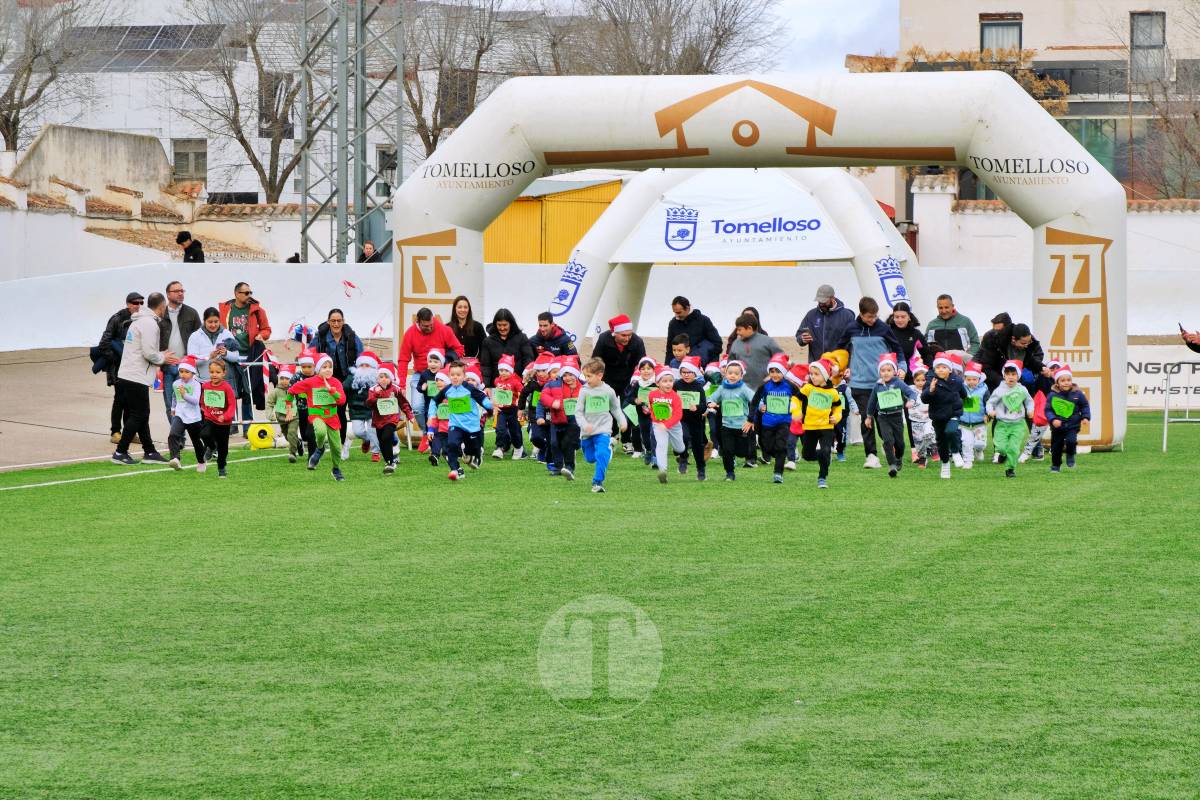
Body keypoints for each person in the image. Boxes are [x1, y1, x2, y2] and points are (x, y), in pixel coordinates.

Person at [833, 296, 907, 470]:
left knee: (885, 421)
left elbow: (897, 350)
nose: (872, 320)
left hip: (883, 384)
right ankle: (871, 455)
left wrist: (902, 367)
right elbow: (839, 349)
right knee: (867, 420)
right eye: (869, 317)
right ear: (861, 314)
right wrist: (840, 367)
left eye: (875, 316)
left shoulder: (884, 328)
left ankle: (889, 446)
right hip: (859, 383)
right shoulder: (851, 328)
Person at [111, 292, 178, 465]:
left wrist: (160, 355)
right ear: (161, 306)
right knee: (139, 414)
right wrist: (163, 358)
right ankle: (121, 451)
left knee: (141, 414)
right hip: (136, 376)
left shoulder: (140, 321)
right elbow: (148, 353)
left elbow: (145, 350)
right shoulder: (150, 324)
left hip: (129, 374)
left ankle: (149, 451)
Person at [218, 282, 272, 435]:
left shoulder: (257, 310)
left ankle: (247, 427)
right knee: (230, 390)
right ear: (237, 294)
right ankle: (232, 423)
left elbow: (267, 328)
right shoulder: (225, 309)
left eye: (250, 292)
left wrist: (263, 335)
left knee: (248, 391)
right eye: (246, 293)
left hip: (250, 355)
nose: (249, 296)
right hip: (230, 355)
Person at [398, 307, 463, 431]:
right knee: (417, 408)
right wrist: (402, 385)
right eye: (425, 326)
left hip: (442, 375)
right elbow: (403, 360)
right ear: (418, 322)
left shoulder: (444, 330)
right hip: (421, 374)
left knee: (447, 405)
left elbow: (458, 349)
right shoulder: (410, 333)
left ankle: (447, 433)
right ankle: (427, 434)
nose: (429, 328)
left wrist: (446, 361)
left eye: (431, 324)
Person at [591, 313, 647, 454]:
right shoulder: (604, 339)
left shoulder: (637, 342)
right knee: (608, 409)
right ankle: (612, 435)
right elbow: (596, 360)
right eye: (623, 335)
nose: (627, 338)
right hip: (608, 379)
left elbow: (642, 364)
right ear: (614, 333)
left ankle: (627, 441)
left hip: (629, 381)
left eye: (629, 334)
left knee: (628, 410)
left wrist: (636, 380)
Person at [289, 353, 348, 481]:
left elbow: (342, 401)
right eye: (324, 367)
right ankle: (320, 448)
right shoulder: (310, 382)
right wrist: (289, 406)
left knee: (337, 448)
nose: (328, 369)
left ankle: (336, 469)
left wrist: (332, 391)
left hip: (332, 418)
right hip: (317, 416)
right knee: (321, 432)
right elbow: (292, 390)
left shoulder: (336, 382)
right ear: (318, 369)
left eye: (330, 367)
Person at [574, 358, 628, 493]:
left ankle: (597, 482)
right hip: (587, 432)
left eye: (589, 376)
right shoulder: (584, 391)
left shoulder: (608, 391)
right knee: (590, 458)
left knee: (601, 454)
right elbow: (578, 412)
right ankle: (609, 447)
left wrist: (622, 421)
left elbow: (615, 408)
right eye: (585, 376)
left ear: (600, 375)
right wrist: (584, 425)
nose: (586, 379)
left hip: (603, 429)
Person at [433, 361, 493, 481]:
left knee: (473, 449)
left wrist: (490, 405)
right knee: (452, 444)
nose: (455, 377)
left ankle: (475, 454)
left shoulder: (469, 388)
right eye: (452, 375)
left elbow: (482, 398)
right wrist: (431, 416)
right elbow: (435, 401)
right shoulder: (447, 390)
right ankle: (455, 470)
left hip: (471, 425)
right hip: (455, 424)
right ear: (449, 376)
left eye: (458, 375)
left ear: (463, 376)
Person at [863, 353, 920, 478]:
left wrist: (911, 400)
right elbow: (872, 402)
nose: (886, 373)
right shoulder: (877, 386)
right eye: (883, 370)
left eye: (889, 370)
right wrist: (868, 416)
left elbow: (911, 393)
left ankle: (898, 457)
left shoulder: (898, 383)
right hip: (883, 417)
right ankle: (892, 465)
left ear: (894, 371)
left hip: (896, 417)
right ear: (879, 372)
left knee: (899, 443)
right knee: (888, 441)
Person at [97, 292, 140, 443]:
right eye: (135, 303)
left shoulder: (140, 319)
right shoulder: (117, 319)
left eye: (141, 303)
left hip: (134, 367)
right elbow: (104, 343)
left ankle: (129, 432)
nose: (138, 306)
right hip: (118, 367)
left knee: (131, 400)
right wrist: (116, 358)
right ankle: (115, 432)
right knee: (120, 399)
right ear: (128, 304)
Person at [315, 308, 363, 437]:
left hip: (347, 380)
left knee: (341, 410)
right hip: (326, 381)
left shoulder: (352, 336)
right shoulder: (320, 337)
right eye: (333, 321)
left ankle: (341, 442)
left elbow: (361, 358)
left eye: (339, 321)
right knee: (328, 411)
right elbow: (312, 355)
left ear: (343, 321)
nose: (336, 324)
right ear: (328, 322)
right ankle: (323, 439)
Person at [752, 354, 799, 483]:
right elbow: (755, 401)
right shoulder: (765, 386)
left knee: (780, 447)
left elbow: (802, 398)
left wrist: (798, 411)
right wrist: (751, 418)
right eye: (772, 371)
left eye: (778, 371)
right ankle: (780, 455)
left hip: (784, 422)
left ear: (783, 372)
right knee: (766, 447)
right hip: (767, 422)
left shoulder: (790, 386)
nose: (775, 375)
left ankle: (778, 474)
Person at [921, 353, 969, 480]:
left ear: (950, 369)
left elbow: (964, 395)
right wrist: (930, 390)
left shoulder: (957, 380)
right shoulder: (931, 381)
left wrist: (969, 407)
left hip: (953, 413)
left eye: (943, 367)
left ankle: (955, 452)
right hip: (938, 416)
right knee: (941, 442)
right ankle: (945, 464)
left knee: (952, 431)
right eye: (938, 367)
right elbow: (924, 399)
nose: (940, 370)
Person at [797, 358, 843, 490]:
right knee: (807, 455)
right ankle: (823, 457)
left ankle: (822, 477)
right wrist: (796, 411)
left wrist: (837, 416)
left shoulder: (833, 392)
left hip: (826, 427)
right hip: (810, 427)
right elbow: (795, 398)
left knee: (825, 450)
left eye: (816, 374)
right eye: (811, 374)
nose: (813, 376)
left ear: (825, 376)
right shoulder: (808, 388)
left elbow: (838, 407)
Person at [706, 360, 755, 481]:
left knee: (742, 452)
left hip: (742, 426)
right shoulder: (722, 388)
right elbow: (711, 398)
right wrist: (710, 403)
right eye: (730, 373)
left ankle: (742, 455)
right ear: (725, 374)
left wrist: (762, 406)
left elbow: (755, 399)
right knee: (727, 451)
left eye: (736, 373)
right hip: (726, 426)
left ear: (741, 376)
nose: (732, 376)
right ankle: (729, 473)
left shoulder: (744, 389)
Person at [985, 360, 1035, 479]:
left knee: (1014, 448)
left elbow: (1029, 401)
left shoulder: (1022, 389)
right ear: (1004, 375)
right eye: (1008, 374)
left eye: (1013, 374)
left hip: (1018, 424)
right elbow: (990, 403)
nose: (1011, 377)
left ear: (1018, 376)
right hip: (1002, 424)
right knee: (1001, 447)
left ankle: (1010, 468)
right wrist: (990, 411)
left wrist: (1030, 410)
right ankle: (1002, 454)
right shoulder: (999, 390)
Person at [159, 280, 201, 423]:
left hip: (186, 366)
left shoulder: (191, 313)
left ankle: (191, 432)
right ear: (168, 294)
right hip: (167, 365)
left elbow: (199, 338)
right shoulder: (160, 313)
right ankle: (177, 436)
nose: (180, 293)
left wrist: (191, 359)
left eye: (182, 291)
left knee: (190, 401)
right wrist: (160, 359)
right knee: (170, 404)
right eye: (176, 291)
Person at [367, 361, 415, 475]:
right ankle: (389, 460)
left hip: (391, 419)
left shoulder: (395, 389)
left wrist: (409, 415)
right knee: (382, 441)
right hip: (378, 420)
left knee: (386, 436)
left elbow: (403, 403)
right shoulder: (373, 390)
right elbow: (368, 404)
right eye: (381, 377)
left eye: (386, 376)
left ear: (391, 378)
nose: (383, 379)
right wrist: (375, 396)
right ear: (377, 378)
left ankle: (390, 463)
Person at [541, 359, 584, 479]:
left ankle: (569, 468)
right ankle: (558, 467)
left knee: (567, 443)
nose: (567, 378)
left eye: (570, 374)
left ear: (576, 373)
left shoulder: (583, 387)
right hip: (557, 419)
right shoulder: (553, 384)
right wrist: (552, 402)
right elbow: (543, 396)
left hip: (574, 420)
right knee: (555, 444)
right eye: (564, 375)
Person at [1044, 364, 1091, 473]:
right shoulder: (1052, 395)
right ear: (1057, 383)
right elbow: (1048, 410)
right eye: (1063, 380)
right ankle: (1055, 466)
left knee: (1071, 441)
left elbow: (1085, 406)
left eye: (1068, 380)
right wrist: (1053, 419)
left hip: (1072, 425)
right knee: (1056, 447)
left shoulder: (1078, 394)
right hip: (1057, 427)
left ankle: (1070, 455)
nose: (1066, 382)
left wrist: (1085, 417)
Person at [647, 365, 686, 484]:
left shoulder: (675, 397)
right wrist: (653, 415)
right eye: (665, 381)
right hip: (659, 426)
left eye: (670, 381)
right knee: (661, 445)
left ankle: (681, 454)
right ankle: (662, 471)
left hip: (674, 426)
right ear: (657, 383)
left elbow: (678, 415)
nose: (668, 384)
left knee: (679, 448)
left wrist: (667, 424)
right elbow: (652, 409)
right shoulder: (652, 395)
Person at [795, 285, 856, 360]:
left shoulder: (847, 316)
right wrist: (802, 339)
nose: (821, 304)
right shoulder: (811, 315)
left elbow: (854, 342)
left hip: (838, 366)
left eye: (823, 301)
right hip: (816, 366)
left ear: (832, 298)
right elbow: (800, 335)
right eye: (819, 301)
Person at [166, 355, 205, 471]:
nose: (183, 374)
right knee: (173, 435)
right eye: (181, 371)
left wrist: (184, 395)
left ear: (193, 373)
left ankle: (202, 462)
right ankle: (175, 459)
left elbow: (195, 401)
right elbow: (174, 396)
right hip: (180, 415)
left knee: (196, 441)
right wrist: (173, 408)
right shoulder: (176, 383)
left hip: (194, 417)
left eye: (186, 372)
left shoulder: (196, 384)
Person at [726, 312, 783, 391]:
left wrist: (772, 376)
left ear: (749, 328)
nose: (737, 332)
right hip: (741, 390)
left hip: (766, 389)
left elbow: (782, 359)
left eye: (739, 330)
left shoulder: (767, 341)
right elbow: (730, 364)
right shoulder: (736, 343)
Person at [342, 350, 382, 462]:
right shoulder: (352, 377)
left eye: (367, 365)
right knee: (358, 431)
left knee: (372, 430)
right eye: (361, 365)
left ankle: (375, 452)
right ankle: (367, 440)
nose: (364, 367)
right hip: (355, 410)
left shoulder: (377, 378)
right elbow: (343, 387)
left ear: (373, 366)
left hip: (372, 410)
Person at [199, 358, 236, 478]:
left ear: (224, 373)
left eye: (217, 372)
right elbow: (203, 400)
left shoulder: (227, 388)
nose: (214, 375)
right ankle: (211, 447)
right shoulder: (205, 386)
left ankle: (221, 468)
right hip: (210, 418)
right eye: (212, 372)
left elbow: (232, 405)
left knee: (223, 448)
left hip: (224, 423)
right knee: (204, 434)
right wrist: (204, 408)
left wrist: (225, 416)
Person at [186, 308, 243, 383]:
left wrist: (226, 354)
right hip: (203, 382)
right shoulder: (195, 336)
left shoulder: (227, 334)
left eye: (216, 322)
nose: (213, 325)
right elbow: (191, 361)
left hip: (224, 382)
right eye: (210, 322)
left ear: (219, 320)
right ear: (204, 321)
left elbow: (236, 357)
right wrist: (209, 356)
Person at [479, 308, 533, 386]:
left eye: (505, 325)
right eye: (499, 325)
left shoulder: (522, 338)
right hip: (496, 386)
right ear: (495, 324)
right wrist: (486, 385)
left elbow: (528, 359)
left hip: (518, 385)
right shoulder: (487, 341)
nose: (502, 328)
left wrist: (527, 378)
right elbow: (486, 366)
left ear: (511, 324)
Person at [674, 356, 708, 481]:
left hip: (696, 421)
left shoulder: (698, 386)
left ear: (695, 373)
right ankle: (683, 457)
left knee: (698, 446)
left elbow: (704, 406)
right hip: (680, 419)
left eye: (689, 372)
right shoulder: (676, 385)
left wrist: (697, 407)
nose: (686, 375)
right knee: (683, 436)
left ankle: (701, 469)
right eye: (684, 372)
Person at [665, 296, 722, 365]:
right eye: (675, 312)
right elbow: (670, 349)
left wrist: (704, 359)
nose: (676, 315)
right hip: (681, 366)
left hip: (704, 364)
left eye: (679, 312)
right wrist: (667, 367)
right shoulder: (673, 324)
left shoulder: (703, 320)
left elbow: (717, 343)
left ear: (687, 308)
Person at [624, 356, 659, 467]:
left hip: (656, 415)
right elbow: (629, 397)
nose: (646, 371)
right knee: (645, 436)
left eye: (649, 368)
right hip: (642, 415)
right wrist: (635, 400)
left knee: (655, 435)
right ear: (639, 371)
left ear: (653, 370)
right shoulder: (637, 384)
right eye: (643, 369)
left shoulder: (658, 383)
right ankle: (648, 450)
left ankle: (655, 458)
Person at [490, 354, 525, 459]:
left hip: (513, 410)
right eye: (501, 370)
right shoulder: (497, 381)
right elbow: (496, 394)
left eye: (506, 370)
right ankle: (500, 448)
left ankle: (518, 447)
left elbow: (522, 393)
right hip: (502, 410)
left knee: (515, 431)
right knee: (500, 429)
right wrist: (495, 404)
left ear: (511, 371)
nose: (503, 373)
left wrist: (521, 407)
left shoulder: (515, 381)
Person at [958, 361, 990, 469]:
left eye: (974, 379)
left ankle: (979, 450)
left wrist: (987, 415)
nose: (971, 382)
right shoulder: (961, 388)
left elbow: (988, 404)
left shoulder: (984, 390)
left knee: (979, 443)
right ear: (965, 378)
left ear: (979, 379)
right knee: (966, 443)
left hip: (980, 422)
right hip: (964, 422)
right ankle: (968, 461)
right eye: (968, 379)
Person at [266, 366, 300, 463]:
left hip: (294, 417)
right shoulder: (276, 392)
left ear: (291, 379)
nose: (284, 381)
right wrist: (270, 414)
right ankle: (298, 443)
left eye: (287, 378)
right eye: (282, 378)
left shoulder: (296, 389)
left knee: (292, 432)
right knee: (287, 436)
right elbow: (269, 403)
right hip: (281, 419)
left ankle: (292, 454)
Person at [907, 363, 937, 467]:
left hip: (928, 419)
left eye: (923, 380)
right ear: (913, 380)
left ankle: (934, 448)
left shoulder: (931, 389)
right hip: (915, 421)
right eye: (917, 380)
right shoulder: (909, 389)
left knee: (929, 433)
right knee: (918, 443)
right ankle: (922, 459)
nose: (920, 383)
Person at [886, 301, 925, 380]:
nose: (900, 320)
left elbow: (926, 354)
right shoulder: (887, 332)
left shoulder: (915, 333)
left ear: (909, 317)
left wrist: (929, 371)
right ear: (893, 317)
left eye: (903, 317)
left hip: (909, 375)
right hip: (889, 375)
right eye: (897, 317)